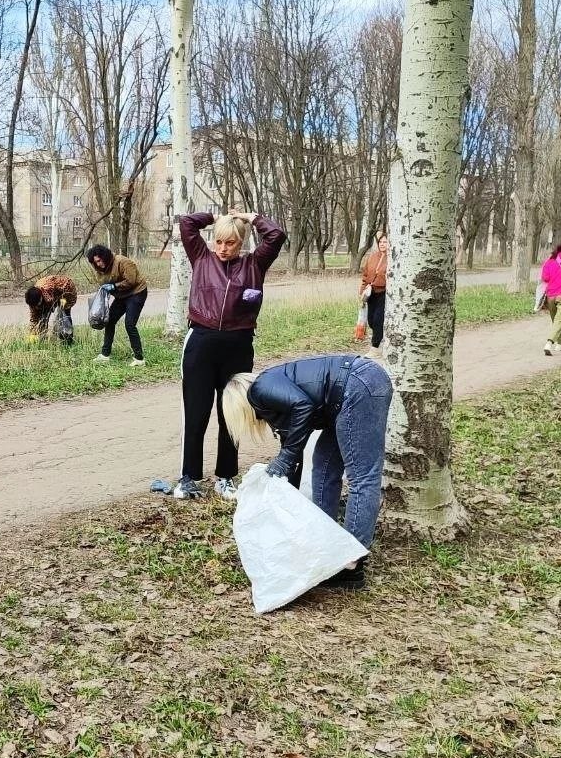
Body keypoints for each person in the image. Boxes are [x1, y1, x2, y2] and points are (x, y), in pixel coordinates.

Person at [221, 354, 392, 589]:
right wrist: (285, 502)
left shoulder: (260, 390)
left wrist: (285, 458)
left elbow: (304, 406)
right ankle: (324, 545)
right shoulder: (275, 401)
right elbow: (294, 453)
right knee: (323, 465)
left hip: (358, 384)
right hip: (349, 392)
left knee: (362, 478)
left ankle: (352, 563)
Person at [174, 209, 286, 501]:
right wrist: (214, 217)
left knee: (231, 415)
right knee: (196, 414)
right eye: (219, 242)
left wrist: (250, 217)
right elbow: (187, 223)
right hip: (201, 343)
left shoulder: (255, 264)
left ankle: (225, 477)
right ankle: (188, 478)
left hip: (238, 346)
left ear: (241, 243)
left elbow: (276, 235)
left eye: (231, 243)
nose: (223, 248)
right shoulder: (200, 256)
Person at [85, 244, 148, 367]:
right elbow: (104, 284)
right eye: (94, 262)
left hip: (136, 292)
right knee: (109, 321)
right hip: (121, 296)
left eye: (99, 260)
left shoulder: (122, 261)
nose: (98, 264)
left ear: (104, 256)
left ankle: (139, 359)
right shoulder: (99, 271)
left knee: (129, 324)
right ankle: (105, 355)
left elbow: (131, 281)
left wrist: (113, 286)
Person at [359, 232, 388, 356]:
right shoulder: (372, 257)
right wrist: (362, 290)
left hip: (384, 292)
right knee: (370, 319)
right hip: (371, 293)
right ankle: (383, 338)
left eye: (385, 242)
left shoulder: (393, 258)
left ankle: (375, 348)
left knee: (378, 319)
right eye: (380, 242)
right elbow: (365, 275)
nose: (382, 244)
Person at [25, 273, 78, 342]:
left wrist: (60, 305)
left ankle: (68, 339)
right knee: (42, 317)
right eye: (35, 306)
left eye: (38, 305)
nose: (37, 307)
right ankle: (41, 338)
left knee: (64, 315)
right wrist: (32, 334)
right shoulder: (33, 299)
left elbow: (50, 305)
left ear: (41, 298)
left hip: (66, 291)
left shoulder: (49, 289)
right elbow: (34, 318)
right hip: (52, 293)